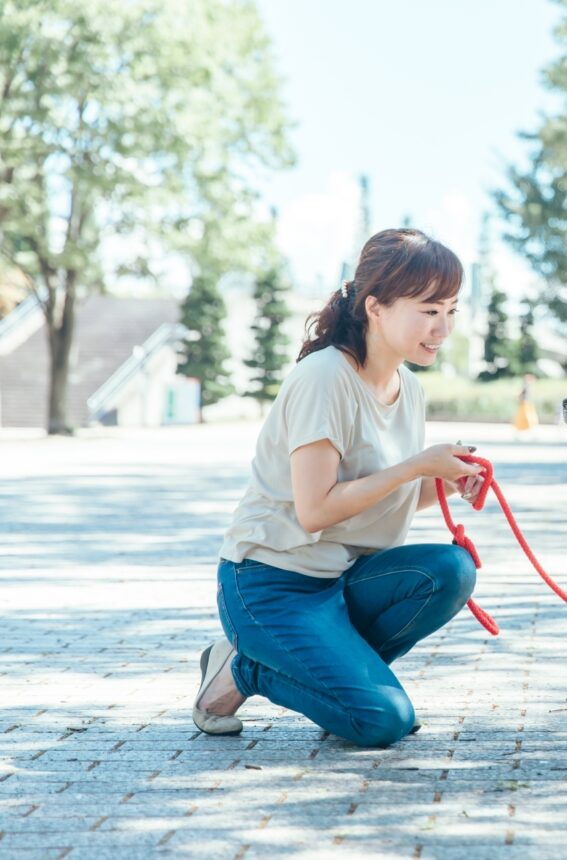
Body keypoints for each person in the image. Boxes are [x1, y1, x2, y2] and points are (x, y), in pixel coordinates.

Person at [192, 228, 487, 748]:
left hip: (342, 580)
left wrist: (445, 481)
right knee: (382, 721)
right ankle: (245, 669)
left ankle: (338, 681)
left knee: (450, 569)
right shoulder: (325, 377)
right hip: (272, 583)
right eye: (427, 310)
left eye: (450, 311)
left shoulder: (408, 387)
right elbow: (315, 510)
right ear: (376, 307)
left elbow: (381, 498)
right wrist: (417, 466)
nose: (441, 328)